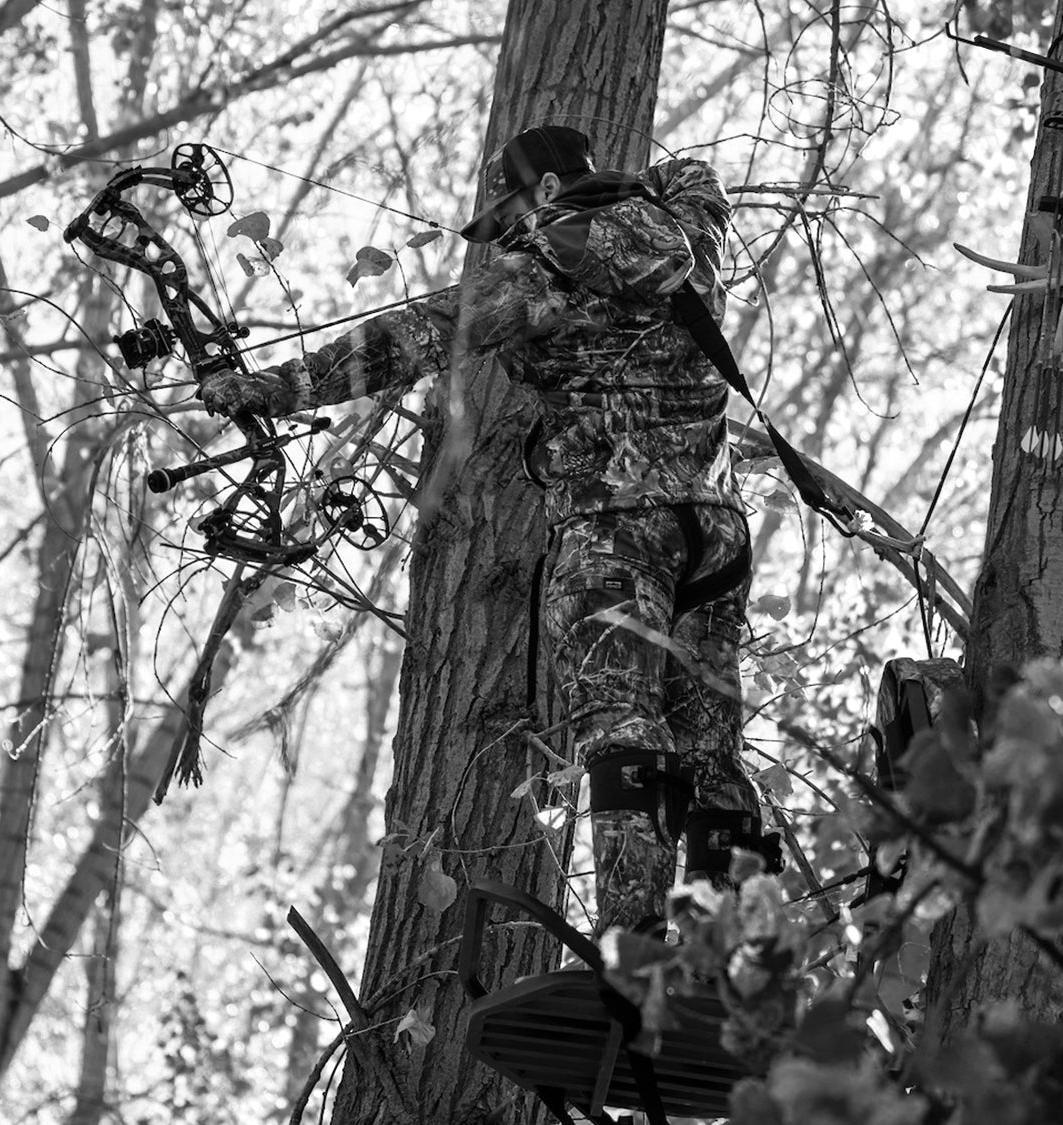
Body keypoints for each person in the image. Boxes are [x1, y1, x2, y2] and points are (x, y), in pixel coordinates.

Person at [200, 125, 771, 932]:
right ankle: (735, 951)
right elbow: (693, 180)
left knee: (620, 720)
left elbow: (416, 338)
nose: (500, 237)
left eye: (508, 213)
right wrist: (613, 194)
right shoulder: (689, 234)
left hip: (615, 527)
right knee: (711, 750)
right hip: (715, 533)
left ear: (542, 195)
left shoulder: (543, 272)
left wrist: (280, 386)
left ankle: (634, 949)